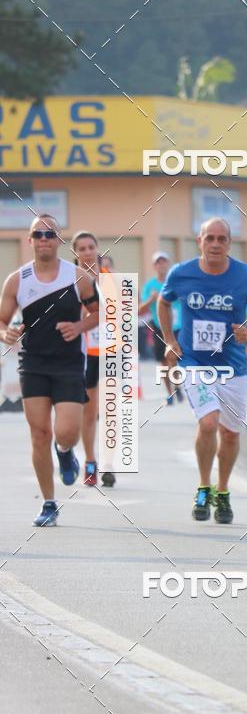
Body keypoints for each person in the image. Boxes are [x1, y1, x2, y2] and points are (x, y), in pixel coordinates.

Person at [157, 217, 247, 524]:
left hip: (233, 367)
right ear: (200, 241)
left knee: (230, 434)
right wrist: (170, 340)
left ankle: (223, 490)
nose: (215, 244)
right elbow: (164, 304)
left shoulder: (245, 275)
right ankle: (204, 485)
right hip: (194, 364)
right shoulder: (181, 273)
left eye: (222, 239)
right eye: (210, 238)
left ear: (229, 244)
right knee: (208, 423)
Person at [0, 214, 100, 526]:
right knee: (39, 433)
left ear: (59, 241)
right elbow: (2, 320)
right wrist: (6, 333)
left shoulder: (78, 277)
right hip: (33, 364)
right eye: (38, 234)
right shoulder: (17, 279)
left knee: (67, 432)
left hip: (69, 364)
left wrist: (80, 324)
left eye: (50, 234)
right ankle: (48, 503)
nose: (44, 239)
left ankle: (65, 450)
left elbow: (99, 312)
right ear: (29, 241)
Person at [71, 231, 116, 488]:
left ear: (98, 249)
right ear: (76, 253)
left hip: (111, 351)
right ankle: (90, 461)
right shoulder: (72, 281)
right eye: (82, 248)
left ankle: (109, 464)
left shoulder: (112, 281)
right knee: (89, 412)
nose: (87, 252)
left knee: (111, 412)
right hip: (85, 353)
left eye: (91, 247)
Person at [140, 251, 183, 404]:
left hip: (178, 326)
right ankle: (169, 393)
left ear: (168, 263)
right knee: (163, 362)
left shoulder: (176, 281)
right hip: (159, 326)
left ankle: (177, 385)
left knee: (175, 359)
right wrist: (152, 298)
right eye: (158, 262)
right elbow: (140, 309)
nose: (161, 265)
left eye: (164, 261)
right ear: (154, 266)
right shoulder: (150, 285)